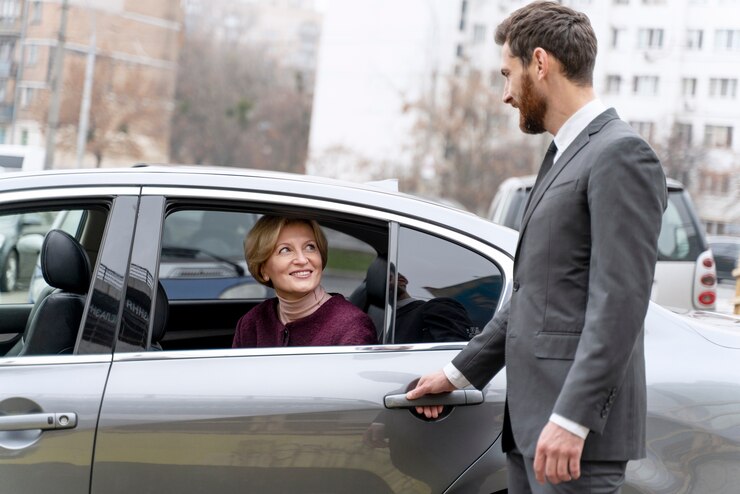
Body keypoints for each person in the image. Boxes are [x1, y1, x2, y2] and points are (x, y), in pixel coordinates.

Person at [406, 2, 667, 492]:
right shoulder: (565, 153)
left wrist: (573, 418)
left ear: (540, 63)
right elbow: (536, 294)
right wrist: (459, 373)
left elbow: (621, 303)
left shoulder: (620, 154)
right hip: (531, 430)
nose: (506, 94)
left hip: (573, 439)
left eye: (508, 74)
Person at [232, 216, 377, 348]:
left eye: (310, 247)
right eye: (285, 250)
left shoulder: (351, 327)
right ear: (263, 270)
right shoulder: (251, 324)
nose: (302, 260)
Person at [394, 273, 478, 343]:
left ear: (401, 280)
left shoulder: (437, 307)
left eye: (382, 277)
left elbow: (457, 354)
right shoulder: (384, 323)